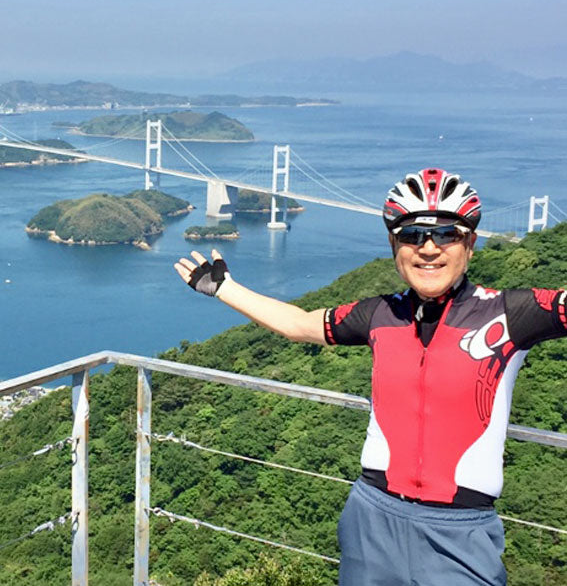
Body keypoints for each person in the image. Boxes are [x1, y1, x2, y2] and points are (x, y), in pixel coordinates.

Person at [174, 168, 567, 586]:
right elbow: (301, 324)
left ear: (470, 244)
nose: (428, 248)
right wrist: (223, 288)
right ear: (394, 245)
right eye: (412, 235)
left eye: (447, 234)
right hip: (371, 519)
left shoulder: (508, 314)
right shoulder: (381, 314)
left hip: (461, 531)